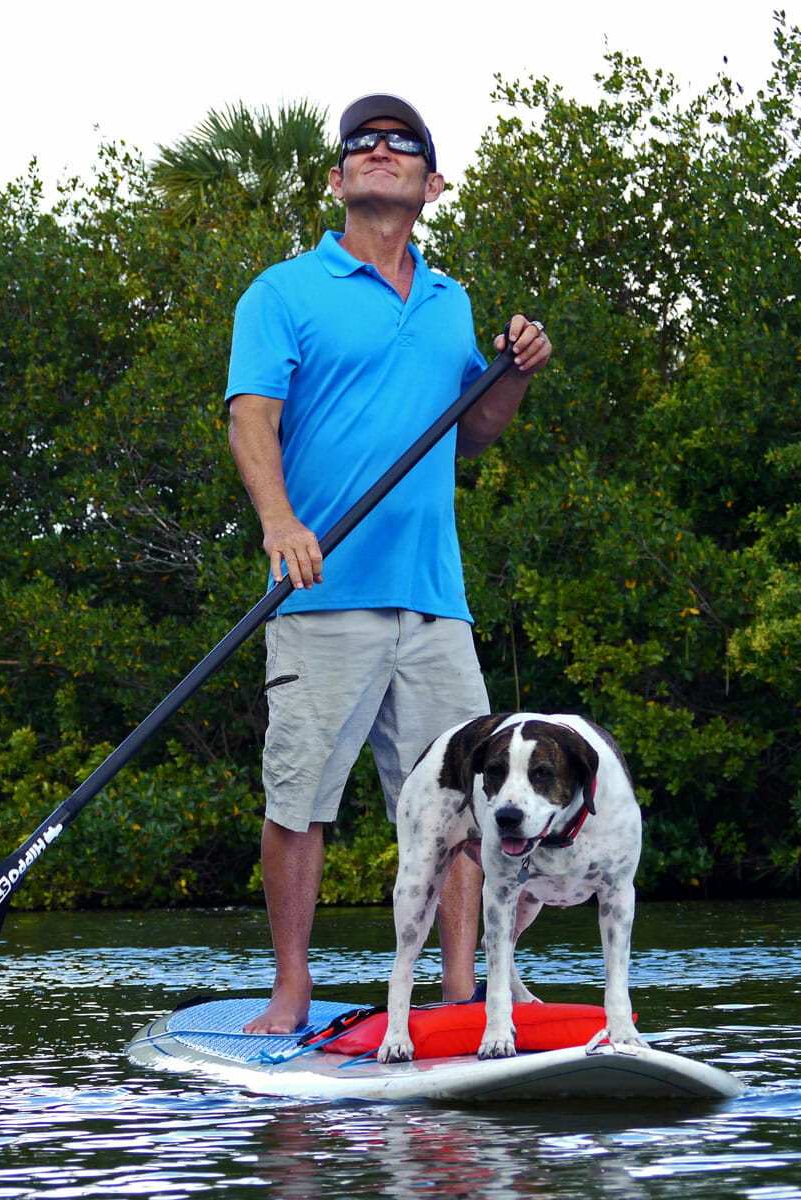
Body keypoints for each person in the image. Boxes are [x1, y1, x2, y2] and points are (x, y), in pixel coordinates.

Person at [225, 93, 552, 1035]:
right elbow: (253, 418)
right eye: (361, 143)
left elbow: (473, 435)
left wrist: (515, 374)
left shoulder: (453, 304)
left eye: (401, 143)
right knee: (300, 800)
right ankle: (293, 993)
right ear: (336, 179)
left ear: (430, 183)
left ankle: (460, 997)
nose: (379, 150)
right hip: (323, 592)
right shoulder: (282, 292)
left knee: (469, 807)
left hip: (435, 602)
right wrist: (280, 524)